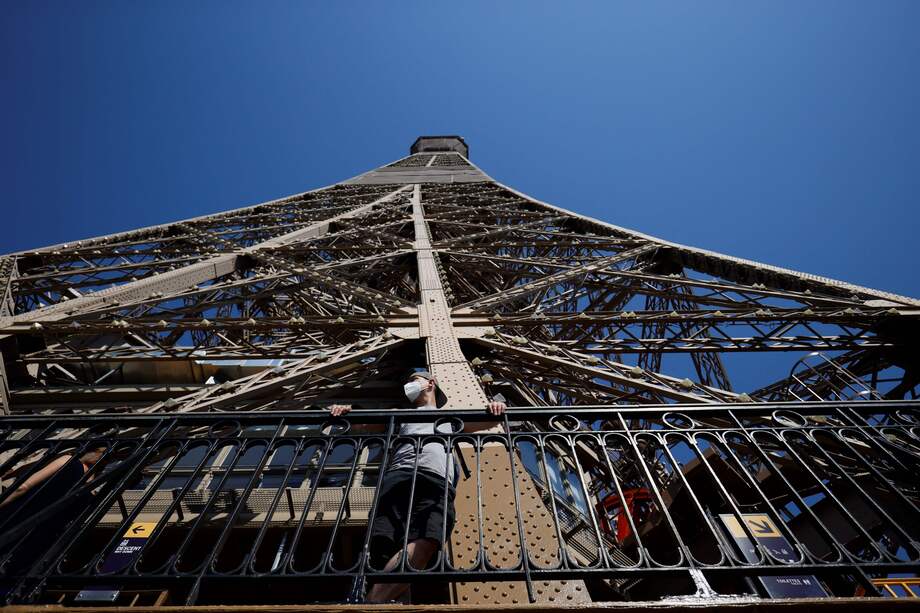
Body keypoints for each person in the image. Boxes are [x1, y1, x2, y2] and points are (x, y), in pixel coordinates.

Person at [329, 371, 505, 603]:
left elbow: (489, 420)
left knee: (429, 539)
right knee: (384, 544)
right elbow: (365, 423)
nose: (407, 384)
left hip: (435, 479)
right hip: (398, 477)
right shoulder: (400, 414)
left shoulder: (451, 417)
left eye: (413, 380)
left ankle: (371, 603)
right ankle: (390, 602)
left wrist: (496, 407)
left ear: (430, 383)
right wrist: (345, 412)